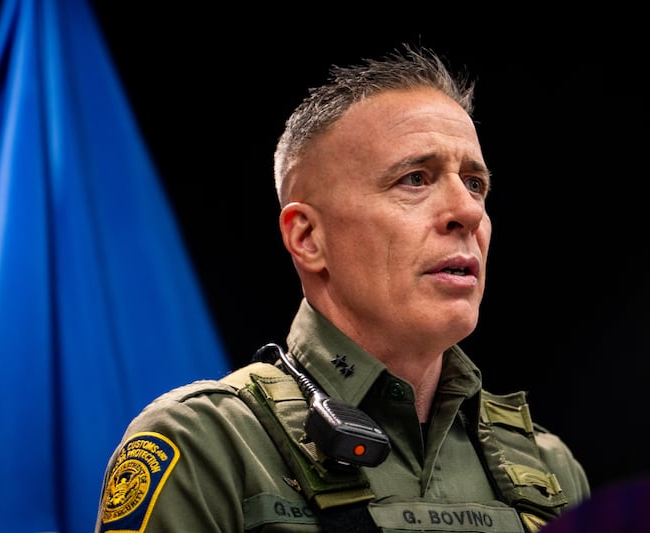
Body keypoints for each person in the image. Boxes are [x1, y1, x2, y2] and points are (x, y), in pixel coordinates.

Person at [94, 44, 590, 533]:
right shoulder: (210, 448)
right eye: (415, 179)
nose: (468, 212)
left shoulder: (552, 473)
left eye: (475, 184)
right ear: (308, 238)